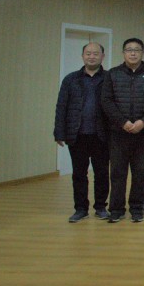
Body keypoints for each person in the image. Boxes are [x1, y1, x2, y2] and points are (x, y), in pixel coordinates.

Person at [101, 38, 144, 223]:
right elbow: (106, 101)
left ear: (142, 53)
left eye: (137, 50)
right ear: (123, 53)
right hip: (118, 132)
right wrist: (122, 122)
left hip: (142, 132)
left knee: (141, 172)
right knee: (117, 172)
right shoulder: (113, 74)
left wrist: (143, 121)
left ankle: (137, 208)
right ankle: (116, 209)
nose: (133, 53)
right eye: (129, 50)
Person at [54, 42, 110, 223]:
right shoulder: (70, 79)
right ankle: (80, 209)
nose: (91, 56)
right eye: (88, 53)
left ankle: (100, 207)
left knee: (102, 173)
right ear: (82, 56)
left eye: (96, 53)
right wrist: (59, 132)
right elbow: (61, 106)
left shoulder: (109, 78)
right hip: (77, 134)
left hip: (102, 135)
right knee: (79, 174)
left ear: (102, 56)